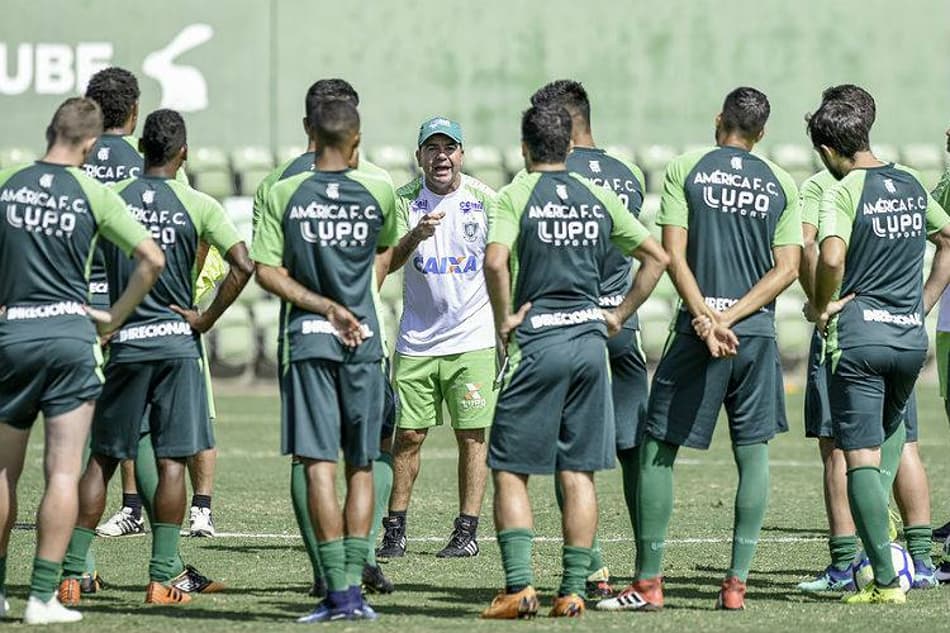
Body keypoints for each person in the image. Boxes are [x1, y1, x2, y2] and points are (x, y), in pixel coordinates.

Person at [613, 87, 800, 612]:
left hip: (698, 332)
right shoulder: (782, 181)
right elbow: (787, 268)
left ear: (719, 119)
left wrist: (706, 316)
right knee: (753, 456)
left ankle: (649, 582)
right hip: (756, 335)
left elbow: (673, 254)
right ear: (761, 133)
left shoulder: (686, 168)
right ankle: (736, 585)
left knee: (656, 448)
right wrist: (735, 317)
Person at [57, 109, 253, 606]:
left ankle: (74, 573)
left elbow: (74, 260)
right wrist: (204, 318)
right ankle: (162, 576)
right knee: (170, 460)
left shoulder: (110, 200)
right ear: (183, 153)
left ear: (142, 151)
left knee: (101, 458)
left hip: (125, 342)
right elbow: (243, 264)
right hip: (176, 344)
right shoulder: (198, 202)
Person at [480, 104, 667, 619]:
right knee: (579, 471)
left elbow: (495, 260)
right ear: (568, 145)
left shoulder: (516, 193)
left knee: (511, 470)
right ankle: (572, 590)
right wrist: (618, 314)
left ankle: (518, 587)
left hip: (539, 341)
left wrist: (505, 318)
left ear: (524, 148)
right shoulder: (597, 194)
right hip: (590, 345)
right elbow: (657, 258)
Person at [0, 97, 164, 624]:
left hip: (13, 336)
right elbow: (152, 259)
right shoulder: (95, 191)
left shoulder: (9, 181)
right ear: (91, 145)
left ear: (50, 130)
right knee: (63, 474)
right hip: (72, 339)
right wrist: (113, 316)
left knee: (3, 472)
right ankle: (43, 598)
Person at [251, 98, 399, 622]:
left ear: (311, 134)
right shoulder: (379, 190)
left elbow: (266, 271)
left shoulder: (282, 191)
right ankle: (355, 591)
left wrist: (321, 304)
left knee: (318, 464)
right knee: (362, 462)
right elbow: (384, 254)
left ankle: (336, 590)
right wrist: (348, 303)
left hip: (308, 340)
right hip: (364, 341)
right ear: (355, 142)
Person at [808, 99, 950, 604]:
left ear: (828, 149)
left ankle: (884, 580)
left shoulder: (843, 190)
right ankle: (915, 556)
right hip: (910, 341)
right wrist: (921, 304)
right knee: (895, 437)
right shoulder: (910, 181)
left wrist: (822, 305)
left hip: (862, 338)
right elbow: (948, 238)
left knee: (859, 456)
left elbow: (830, 255)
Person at [83, 67, 223, 543]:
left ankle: (82, 559)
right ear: (135, 113)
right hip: (155, 309)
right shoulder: (159, 178)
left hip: (90, 309)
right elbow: (205, 235)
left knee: (102, 439)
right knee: (175, 431)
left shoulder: (78, 162)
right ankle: (172, 549)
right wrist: (188, 294)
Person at [528, 79, 647, 599]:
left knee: (570, 456)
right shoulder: (630, 174)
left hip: (570, 328)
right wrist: (621, 312)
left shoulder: (551, 177)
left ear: (563, 121)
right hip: (623, 330)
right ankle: (649, 568)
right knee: (635, 452)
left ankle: (593, 569)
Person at [375, 116, 497, 561]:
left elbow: (504, 263)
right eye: (432, 148)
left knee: (472, 436)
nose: (441, 156)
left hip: (472, 339)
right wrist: (416, 235)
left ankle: (466, 531)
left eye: (449, 148)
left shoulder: (485, 201)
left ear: (461, 154)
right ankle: (395, 530)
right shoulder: (404, 201)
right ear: (419, 156)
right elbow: (384, 263)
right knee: (407, 435)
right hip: (417, 341)